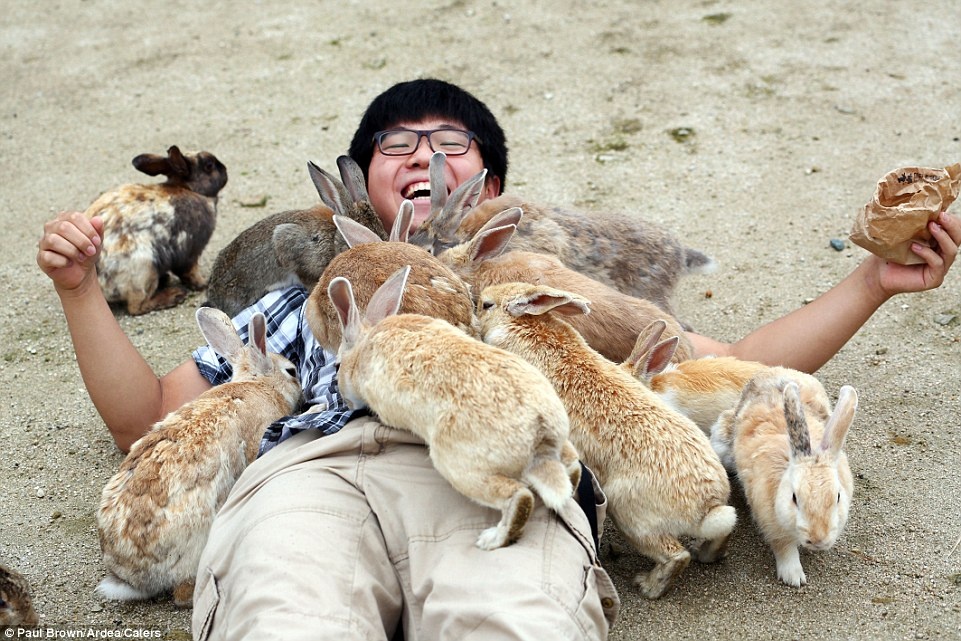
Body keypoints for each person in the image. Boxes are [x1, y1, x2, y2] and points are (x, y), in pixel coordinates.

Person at [37, 79, 959, 640]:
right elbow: (150, 420)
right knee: (284, 609)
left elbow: (732, 365)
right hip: (308, 473)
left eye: (451, 146)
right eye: (396, 148)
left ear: (496, 192)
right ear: (355, 189)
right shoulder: (311, 301)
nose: (425, 159)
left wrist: (870, 284)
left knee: (520, 620)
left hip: (510, 482)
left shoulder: (535, 296)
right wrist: (82, 289)